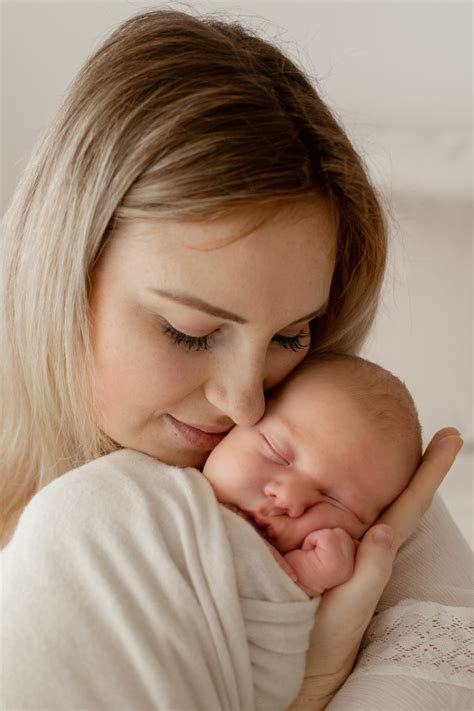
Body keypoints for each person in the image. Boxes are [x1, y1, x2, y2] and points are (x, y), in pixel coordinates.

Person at [1, 7, 471, 710]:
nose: (248, 403)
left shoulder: (350, 485)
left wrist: (316, 677)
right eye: (190, 331)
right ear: (64, 277)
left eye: (292, 334)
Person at [202, 353, 423, 599]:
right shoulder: (167, 487)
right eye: (277, 454)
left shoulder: (293, 574)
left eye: (334, 501)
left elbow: (265, 631)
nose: (289, 500)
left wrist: (308, 578)